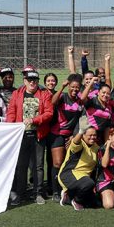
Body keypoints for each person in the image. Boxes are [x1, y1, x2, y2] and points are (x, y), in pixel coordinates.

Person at [6, 67, 53, 206]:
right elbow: (11, 112)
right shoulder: (17, 93)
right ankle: (20, 194)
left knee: (38, 166)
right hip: (21, 136)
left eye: (35, 80)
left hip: (38, 135)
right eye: (30, 80)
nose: (33, 82)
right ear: (25, 81)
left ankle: (37, 193)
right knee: (21, 165)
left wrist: (34, 120)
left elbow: (49, 113)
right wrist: (11, 127)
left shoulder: (44, 94)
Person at [49, 73, 85, 202]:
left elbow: (83, 120)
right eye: (72, 87)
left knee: (68, 164)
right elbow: (52, 102)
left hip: (71, 137)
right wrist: (62, 87)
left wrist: (74, 136)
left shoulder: (80, 102)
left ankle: (68, 190)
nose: (75, 90)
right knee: (58, 163)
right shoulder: (62, 97)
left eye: (77, 87)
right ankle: (55, 191)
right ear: (68, 85)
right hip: (57, 133)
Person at [57, 127, 100, 211]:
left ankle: (68, 196)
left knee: (93, 203)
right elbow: (75, 142)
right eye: (90, 135)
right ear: (83, 135)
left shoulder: (96, 147)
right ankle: (76, 201)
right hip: (68, 174)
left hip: (83, 178)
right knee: (89, 183)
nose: (92, 137)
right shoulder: (80, 144)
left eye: (94, 135)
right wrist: (80, 131)